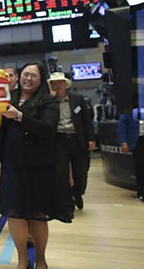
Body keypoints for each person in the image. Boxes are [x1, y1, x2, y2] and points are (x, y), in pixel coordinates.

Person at [0, 62, 71, 269]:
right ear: (19, 77)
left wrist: (19, 116)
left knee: (38, 215)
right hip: (12, 165)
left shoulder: (48, 101)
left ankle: (41, 259)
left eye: (34, 76)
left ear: (40, 80)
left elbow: (47, 129)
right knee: (15, 214)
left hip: (40, 166)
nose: (28, 79)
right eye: (25, 74)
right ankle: (22, 259)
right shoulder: (6, 97)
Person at [48, 72, 94, 210]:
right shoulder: (50, 102)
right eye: (54, 83)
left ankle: (78, 193)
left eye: (60, 83)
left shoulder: (78, 99)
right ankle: (67, 200)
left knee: (80, 171)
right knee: (61, 172)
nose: (57, 86)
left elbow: (87, 120)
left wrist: (91, 139)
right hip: (58, 140)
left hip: (77, 139)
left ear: (65, 84)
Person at [117, 110, 144, 204]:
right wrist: (123, 142)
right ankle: (143, 194)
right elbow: (122, 125)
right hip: (138, 139)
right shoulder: (128, 108)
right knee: (141, 167)